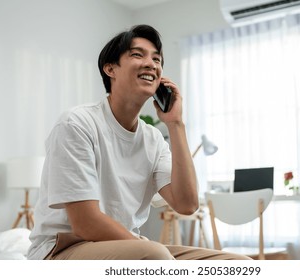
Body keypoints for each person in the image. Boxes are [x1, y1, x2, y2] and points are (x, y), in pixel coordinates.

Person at [27, 24, 250, 260]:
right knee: (155, 255)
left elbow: (187, 204)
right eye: (137, 54)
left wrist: (176, 125)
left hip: (129, 247)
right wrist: (153, 252)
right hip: (62, 250)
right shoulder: (77, 124)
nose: (151, 64)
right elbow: (86, 224)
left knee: (238, 264)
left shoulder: (153, 138)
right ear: (110, 69)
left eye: (157, 59)